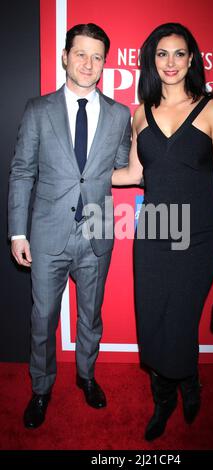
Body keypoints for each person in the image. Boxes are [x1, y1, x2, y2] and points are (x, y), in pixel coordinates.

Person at [112, 22, 213, 441]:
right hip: (153, 234)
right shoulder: (139, 114)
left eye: (179, 53)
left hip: (200, 236)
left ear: (191, 60)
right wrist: (81, 176)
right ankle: (167, 394)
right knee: (151, 320)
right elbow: (134, 173)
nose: (170, 62)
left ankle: (182, 385)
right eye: (162, 54)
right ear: (151, 60)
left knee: (181, 320)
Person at [8, 23, 131, 429]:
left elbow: (123, 168)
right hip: (46, 237)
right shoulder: (38, 110)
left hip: (96, 234)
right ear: (65, 56)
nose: (88, 64)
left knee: (90, 316)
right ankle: (41, 389)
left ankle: (86, 376)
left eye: (97, 56)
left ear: (104, 64)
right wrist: (18, 232)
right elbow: (23, 172)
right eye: (80, 54)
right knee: (43, 318)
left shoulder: (119, 115)